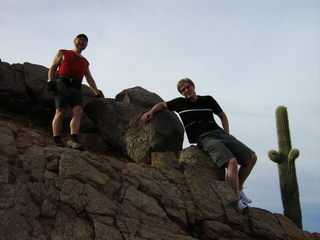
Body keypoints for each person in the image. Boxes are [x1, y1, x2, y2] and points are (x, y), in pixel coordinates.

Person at [141, 78, 257, 211]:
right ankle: (236, 201)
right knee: (232, 162)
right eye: (182, 90)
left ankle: (239, 187)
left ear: (193, 86)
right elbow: (162, 105)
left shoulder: (208, 100)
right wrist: (151, 112)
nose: (186, 91)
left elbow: (222, 115)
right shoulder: (180, 103)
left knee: (251, 158)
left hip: (220, 133)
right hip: (204, 137)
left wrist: (227, 133)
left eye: (187, 87)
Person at [47, 34, 102, 150]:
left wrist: (96, 92)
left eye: (85, 41)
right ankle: (56, 139)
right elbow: (53, 67)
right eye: (80, 40)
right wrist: (50, 82)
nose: (82, 42)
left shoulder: (85, 62)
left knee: (79, 111)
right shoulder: (63, 53)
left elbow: (89, 78)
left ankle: (73, 139)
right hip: (62, 84)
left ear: (86, 45)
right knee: (60, 111)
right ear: (74, 41)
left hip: (76, 87)